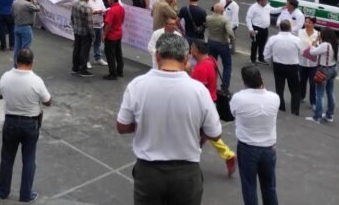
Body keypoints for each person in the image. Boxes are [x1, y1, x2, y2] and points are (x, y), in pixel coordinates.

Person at [117, 33, 222, 205]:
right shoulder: (198, 91)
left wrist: (142, 124)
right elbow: (215, 133)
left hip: (148, 173)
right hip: (186, 173)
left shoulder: (137, 86)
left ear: (157, 56)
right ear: (186, 58)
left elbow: (122, 126)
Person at [0, 48, 52, 203]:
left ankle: (3, 191)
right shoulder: (36, 80)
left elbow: (0, 94)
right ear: (31, 63)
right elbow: (48, 101)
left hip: (10, 122)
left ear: (16, 60)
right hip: (30, 124)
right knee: (29, 160)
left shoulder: (6, 77)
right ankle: (25, 195)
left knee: (7, 159)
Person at [230, 65, 281, 205]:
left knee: (249, 188)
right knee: (269, 187)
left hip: (247, 148)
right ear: (261, 79)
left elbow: (232, 113)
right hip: (269, 148)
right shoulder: (274, 98)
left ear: (244, 81)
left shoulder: (238, 98)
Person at [189, 41, 236, 177]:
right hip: (212, 100)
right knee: (206, 133)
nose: (190, 51)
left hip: (203, 105)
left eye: (191, 48)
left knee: (201, 133)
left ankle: (227, 155)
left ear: (196, 51)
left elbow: (198, 91)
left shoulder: (200, 69)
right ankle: (227, 155)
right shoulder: (211, 60)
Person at [264, 20, 303, 115]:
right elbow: (301, 53)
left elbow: (266, 55)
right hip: (293, 66)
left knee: (279, 89)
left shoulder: (273, 39)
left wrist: (272, 63)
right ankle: (295, 111)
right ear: (290, 28)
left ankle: (281, 109)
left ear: (280, 27)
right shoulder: (297, 40)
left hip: (278, 65)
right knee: (295, 90)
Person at [305, 28, 339, 124]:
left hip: (323, 70)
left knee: (319, 94)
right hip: (333, 69)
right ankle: (329, 115)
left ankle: (317, 117)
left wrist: (313, 44)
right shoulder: (338, 45)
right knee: (330, 92)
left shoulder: (325, 45)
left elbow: (312, 52)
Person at [208, 2, 235, 91]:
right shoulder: (225, 20)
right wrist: (232, 40)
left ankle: (212, 84)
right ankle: (225, 86)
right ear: (222, 10)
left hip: (211, 42)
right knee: (227, 65)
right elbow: (230, 32)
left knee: (212, 64)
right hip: (222, 44)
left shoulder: (208, 18)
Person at [246, 0, 280, 65]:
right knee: (255, 44)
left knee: (263, 44)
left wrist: (281, 8)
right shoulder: (253, 8)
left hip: (265, 29)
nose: (266, 2)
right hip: (256, 28)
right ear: (259, 1)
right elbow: (248, 18)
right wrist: (250, 29)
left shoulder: (267, 5)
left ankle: (261, 58)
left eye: (266, 0)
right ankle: (253, 59)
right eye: (264, 0)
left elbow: (273, 10)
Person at [297, 16, 320, 110]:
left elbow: (320, 47)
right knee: (302, 81)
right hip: (301, 61)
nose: (307, 24)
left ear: (313, 24)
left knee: (313, 83)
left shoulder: (318, 34)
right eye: (306, 22)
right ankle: (301, 96)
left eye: (309, 22)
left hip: (313, 63)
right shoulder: (300, 32)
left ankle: (313, 101)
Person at [70, 0, 94, 77]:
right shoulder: (86, 7)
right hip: (85, 32)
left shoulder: (75, 3)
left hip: (77, 30)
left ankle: (75, 68)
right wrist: (93, 35)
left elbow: (72, 17)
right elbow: (89, 23)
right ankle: (83, 70)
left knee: (76, 49)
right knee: (84, 51)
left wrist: (74, 26)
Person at [102, 0, 125, 80]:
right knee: (118, 53)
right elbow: (122, 20)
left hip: (111, 36)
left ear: (112, 0)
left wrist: (104, 35)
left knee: (110, 54)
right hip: (119, 33)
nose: (108, 0)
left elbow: (108, 24)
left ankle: (113, 73)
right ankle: (120, 71)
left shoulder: (112, 11)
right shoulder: (121, 8)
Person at [88, 0, 108, 66]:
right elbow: (85, 12)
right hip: (91, 25)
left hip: (99, 24)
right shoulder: (87, 0)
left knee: (98, 43)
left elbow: (104, 9)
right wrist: (94, 12)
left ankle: (98, 58)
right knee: (88, 44)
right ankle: (87, 60)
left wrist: (103, 11)